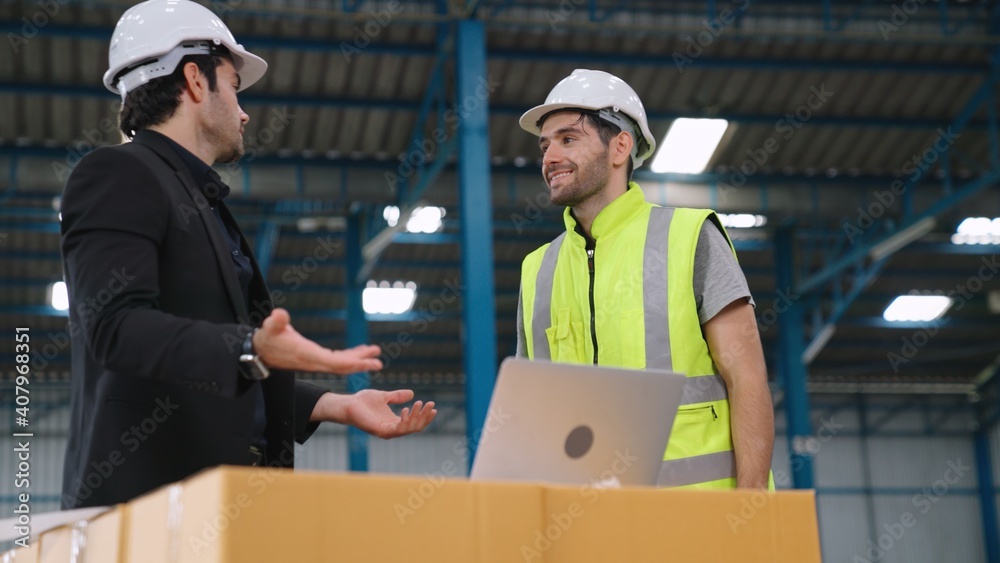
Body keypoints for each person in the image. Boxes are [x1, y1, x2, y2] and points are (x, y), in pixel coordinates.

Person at [59, 0, 435, 509]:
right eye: (233, 85)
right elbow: (115, 326)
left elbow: (214, 358)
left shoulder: (200, 199)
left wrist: (337, 405)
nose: (244, 110)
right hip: (147, 510)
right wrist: (250, 346)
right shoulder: (118, 174)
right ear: (195, 80)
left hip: (218, 509)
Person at [515, 69, 773, 489]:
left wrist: (753, 503)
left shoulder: (689, 237)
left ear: (619, 146)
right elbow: (531, 409)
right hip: (589, 529)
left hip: (700, 526)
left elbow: (746, 375)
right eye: (545, 145)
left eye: (568, 139)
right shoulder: (538, 269)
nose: (549, 158)